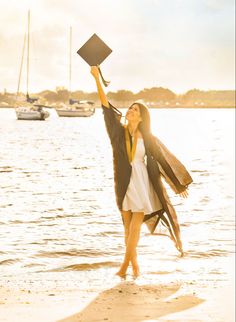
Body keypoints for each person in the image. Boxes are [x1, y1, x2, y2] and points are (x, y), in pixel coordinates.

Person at [90, 66, 192, 278]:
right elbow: (106, 107)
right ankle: (135, 266)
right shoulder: (117, 132)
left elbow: (165, 161)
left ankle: (124, 268)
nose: (131, 110)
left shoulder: (148, 139)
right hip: (122, 182)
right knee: (127, 229)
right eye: (130, 108)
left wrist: (178, 184)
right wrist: (96, 79)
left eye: (136, 110)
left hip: (141, 182)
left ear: (142, 117)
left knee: (135, 226)